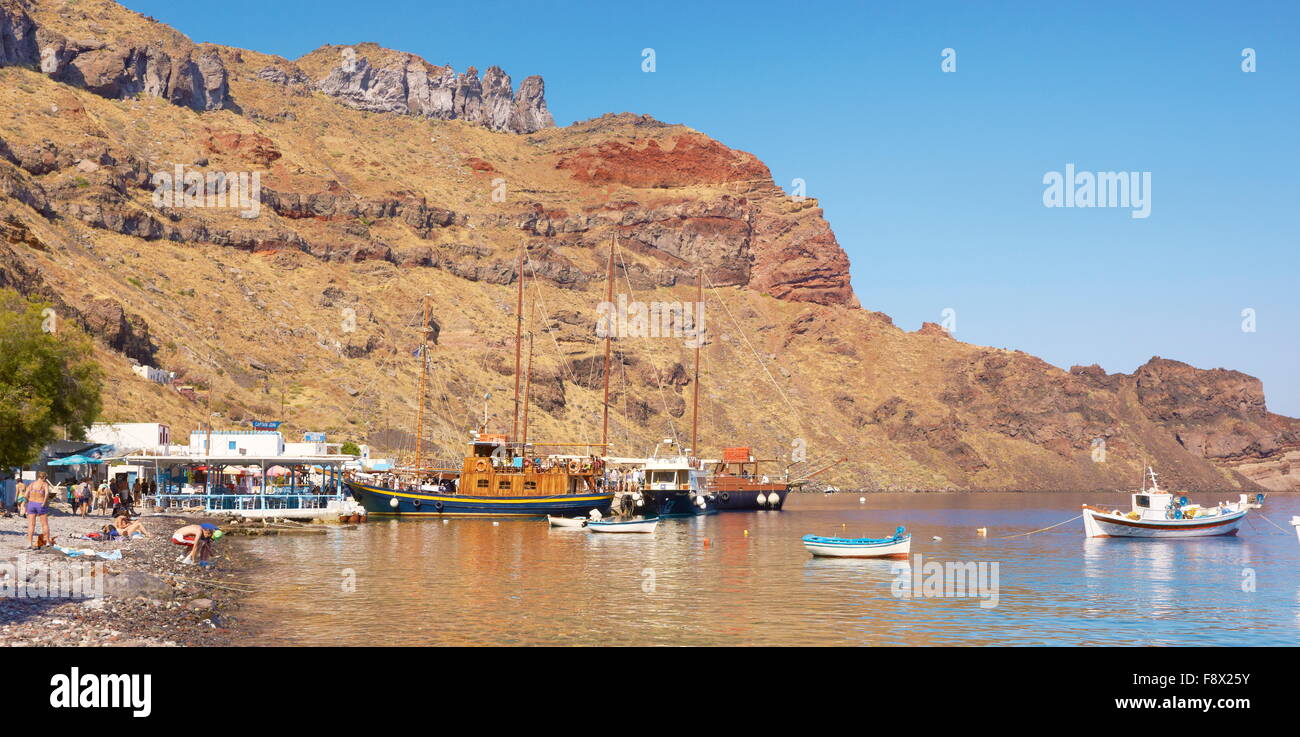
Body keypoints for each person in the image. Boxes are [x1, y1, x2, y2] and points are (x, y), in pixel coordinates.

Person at [25, 471, 53, 548]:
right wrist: (44, 502)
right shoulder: (44, 484)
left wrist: (29, 500)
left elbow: (25, 494)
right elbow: (47, 493)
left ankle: (29, 543)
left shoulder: (32, 484)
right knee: (44, 524)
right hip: (40, 504)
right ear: (44, 477)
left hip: (31, 504)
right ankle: (47, 541)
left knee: (31, 524)